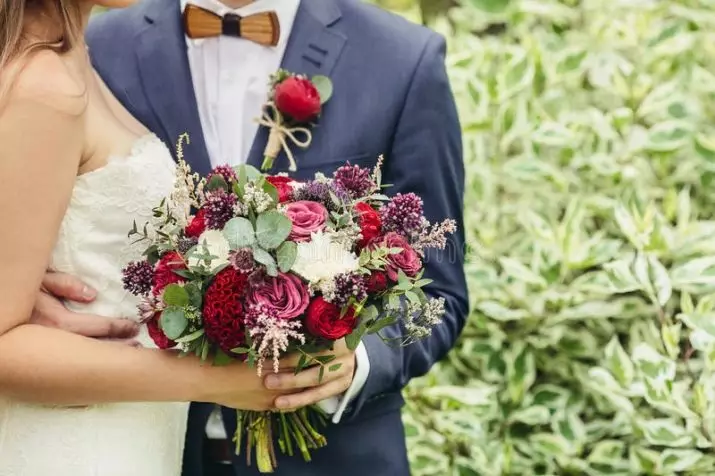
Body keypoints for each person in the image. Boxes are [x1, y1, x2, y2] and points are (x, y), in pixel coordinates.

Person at [33, 0, 469, 475]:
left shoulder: (402, 58)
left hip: (332, 457)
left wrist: (358, 358)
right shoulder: (95, 43)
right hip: (139, 443)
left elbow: (439, 286)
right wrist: (21, 299)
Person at [0, 0, 347, 474]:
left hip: (132, 436)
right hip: (74, 446)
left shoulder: (75, 49)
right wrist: (212, 380)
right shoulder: (45, 83)